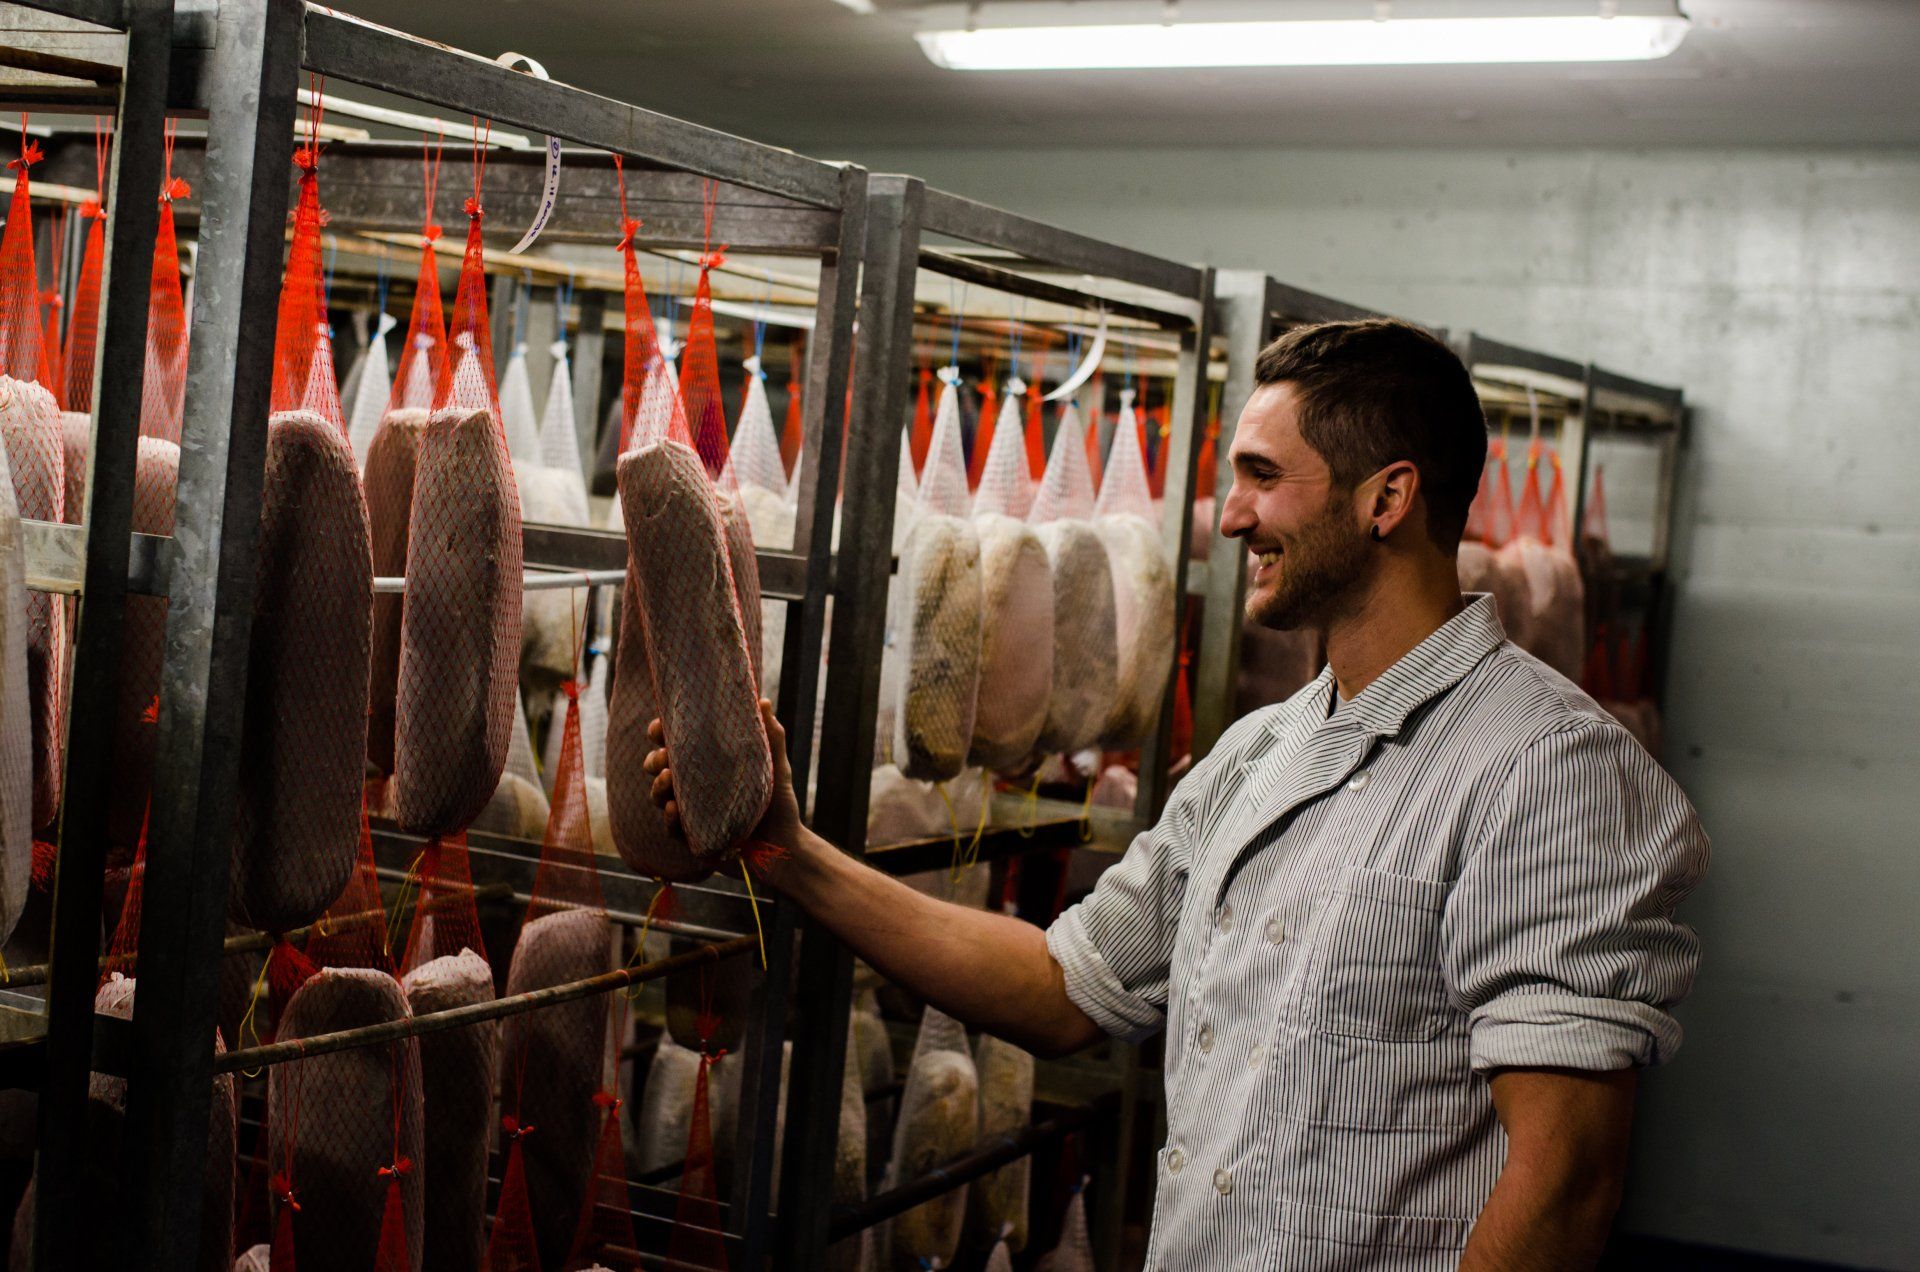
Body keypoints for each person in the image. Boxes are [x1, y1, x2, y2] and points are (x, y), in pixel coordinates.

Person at [644, 319, 1708, 1271]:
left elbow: (1564, 1183)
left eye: (1260, 475)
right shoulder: (1257, 756)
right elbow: (1065, 989)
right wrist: (784, 849)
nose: (1230, 516)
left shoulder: (1548, 770)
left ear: (1387, 497)